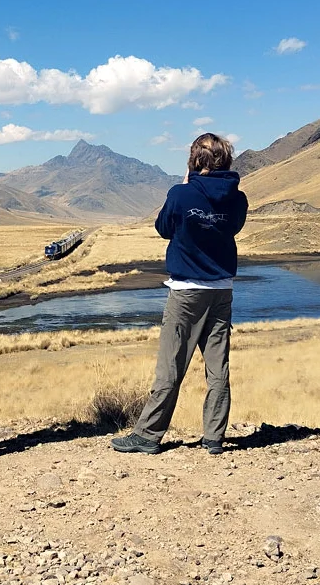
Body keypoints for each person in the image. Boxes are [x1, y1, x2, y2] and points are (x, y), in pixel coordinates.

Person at [111, 133, 249, 455]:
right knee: (218, 368)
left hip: (186, 291)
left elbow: (163, 227)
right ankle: (214, 437)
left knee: (171, 364)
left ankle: (147, 436)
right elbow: (232, 228)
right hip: (222, 290)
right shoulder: (237, 199)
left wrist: (186, 189)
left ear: (194, 160)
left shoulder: (181, 194)